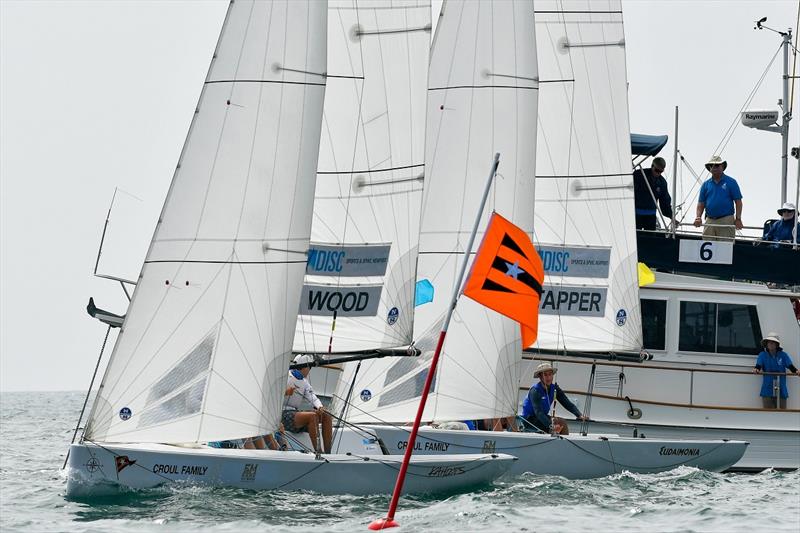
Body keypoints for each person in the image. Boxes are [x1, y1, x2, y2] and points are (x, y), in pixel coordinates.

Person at [283, 354, 332, 453]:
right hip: (282, 415)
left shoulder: (305, 383)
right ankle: (319, 453)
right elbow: (272, 392)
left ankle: (328, 453)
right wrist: (286, 392)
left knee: (326, 415)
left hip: (295, 414)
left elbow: (313, 398)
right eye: (309, 367)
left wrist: (320, 407)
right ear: (304, 367)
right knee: (312, 416)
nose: (310, 370)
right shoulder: (285, 376)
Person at [521, 362, 587, 434]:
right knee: (557, 424)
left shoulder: (555, 388)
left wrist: (579, 415)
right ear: (540, 377)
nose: (548, 377)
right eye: (545, 375)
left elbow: (567, 403)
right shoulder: (535, 391)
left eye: (550, 374)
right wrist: (551, 425)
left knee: (562, 423)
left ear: (552, 375)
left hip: (541, 418)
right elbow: (538, 412)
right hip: (529, 420)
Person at [693, 155, 743, 241]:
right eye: (711, 165)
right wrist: (698, 217)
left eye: (717, 165)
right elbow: (701, 203)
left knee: (725, 248)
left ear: (722, 167)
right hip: (709, 220)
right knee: (707, 246)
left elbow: (738, 202)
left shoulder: (731, 182)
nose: (714, 167)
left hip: (726, 220)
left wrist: (738, 219)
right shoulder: (706, 184)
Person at [753, 332, 799, 409]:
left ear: (777, 344)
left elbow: (790, 366)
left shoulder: (783, 355)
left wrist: (797, 371)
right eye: (769, 342)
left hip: (781, 389)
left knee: (782, 414)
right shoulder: (762, 355)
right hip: (767, 389)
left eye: (773, 342)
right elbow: (758, 366)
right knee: (767, 414)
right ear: (766, 344)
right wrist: (756, 369)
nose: (770, 344)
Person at [633, 157, 673, 230]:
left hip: (650, 215)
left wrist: (671, 216)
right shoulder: (639, 175)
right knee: (635, 237)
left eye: (661, 171)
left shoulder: (662, 183)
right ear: (652, 166)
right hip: (635, 214)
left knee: (650, 237)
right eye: (657, 170)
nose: (658, 173)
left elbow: (665, 201)